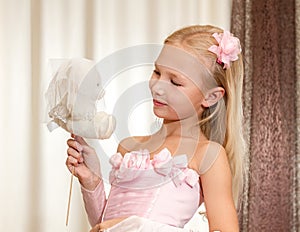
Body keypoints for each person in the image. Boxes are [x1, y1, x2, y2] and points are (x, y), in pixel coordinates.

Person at [66, 25, 245, 232]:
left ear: (211, 96)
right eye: (157, 72)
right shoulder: (128, 147)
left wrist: (140, 226)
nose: (158, 86)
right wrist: (91, 181)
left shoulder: (208, 155)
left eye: (175, 82)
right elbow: (105, 226)